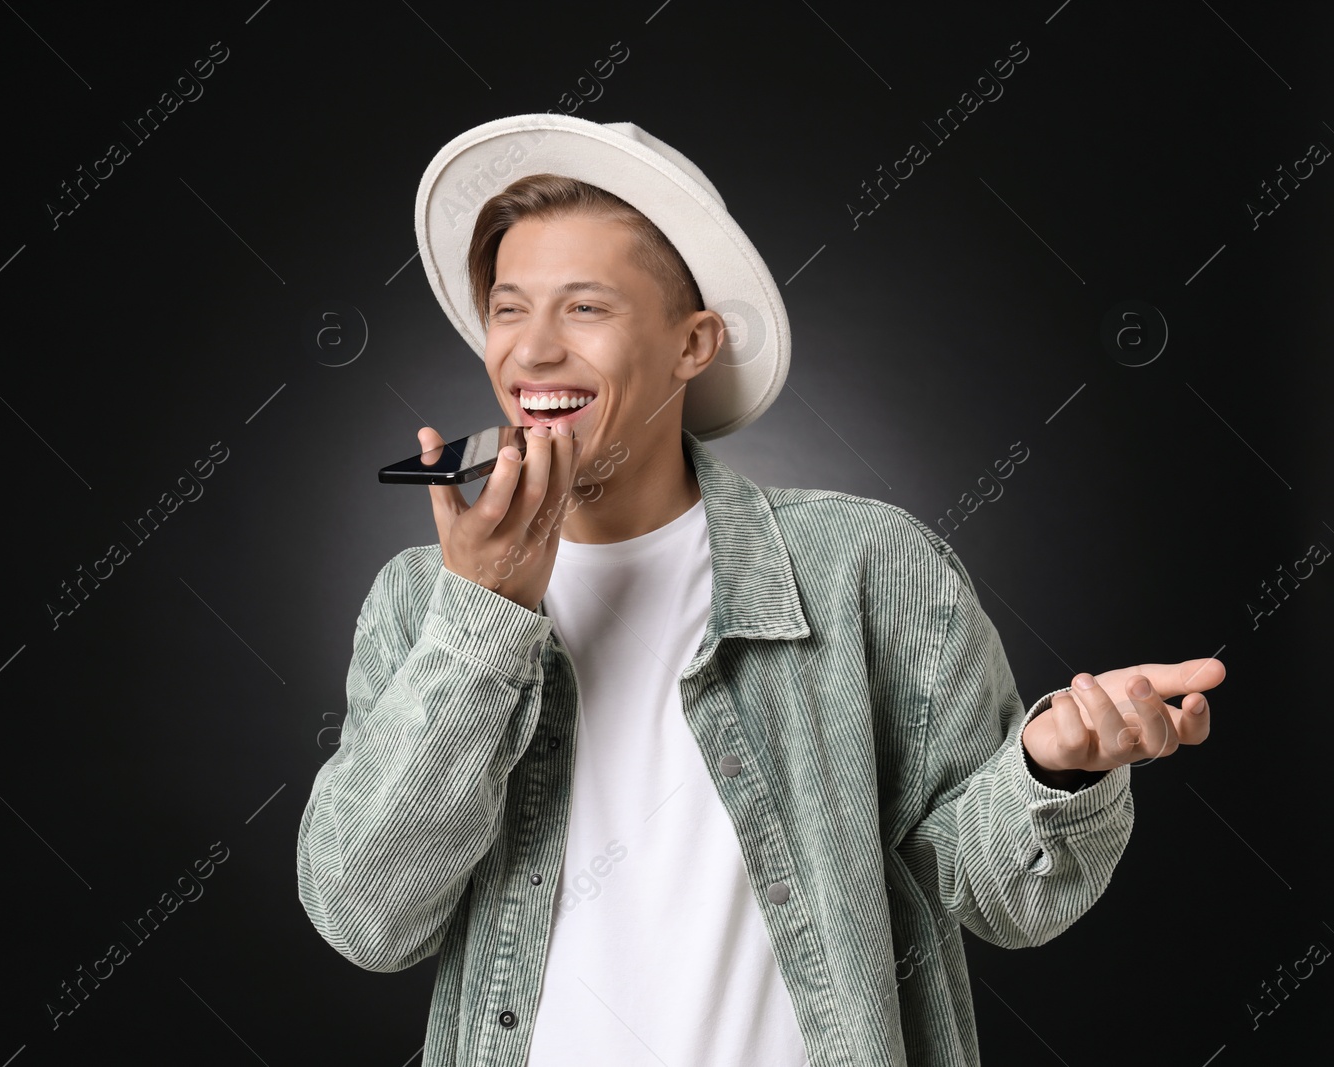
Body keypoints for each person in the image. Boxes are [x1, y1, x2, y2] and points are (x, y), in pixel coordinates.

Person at [296, 113, 1223, 1066]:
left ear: (693, 343)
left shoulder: (868, 566)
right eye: (508, 307)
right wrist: (484, 617)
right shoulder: (422, 601)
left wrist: (1052, 767)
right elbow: (367, 917)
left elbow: (993, 896)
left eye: (584, 308)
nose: (531, 352)